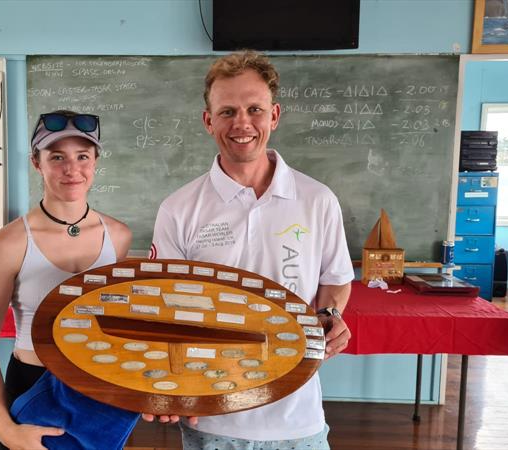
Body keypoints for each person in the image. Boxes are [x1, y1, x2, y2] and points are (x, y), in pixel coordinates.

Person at [149, 50, 354, 449]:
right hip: (213, 420)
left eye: (254, 109)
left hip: (299, 418)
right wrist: (162, 388)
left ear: (274, 115)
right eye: (227, 112)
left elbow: (335, 280)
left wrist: (330, 316)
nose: (242, 123)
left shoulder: (318, 199)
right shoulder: (178, 209)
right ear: (209, 121)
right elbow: (166, 310)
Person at [0, 110, 135, 450]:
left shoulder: (118, 236)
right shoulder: (9, 243)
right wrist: (5, 428)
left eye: (82, 156)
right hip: (33, 385)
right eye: (57, 157)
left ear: (96, 162)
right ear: (36, 162)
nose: (72, 169)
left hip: (99, 387)